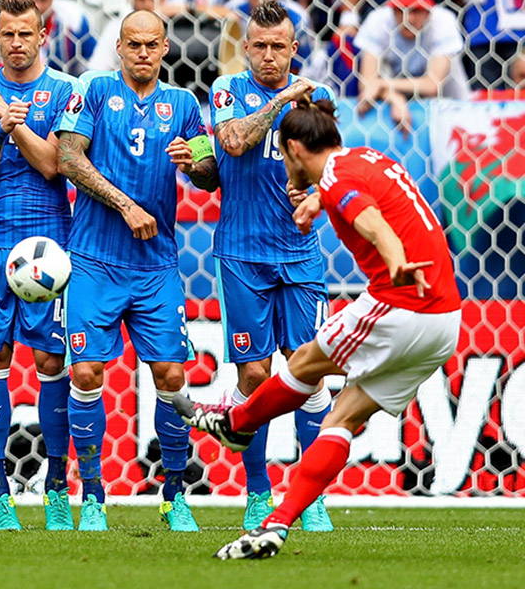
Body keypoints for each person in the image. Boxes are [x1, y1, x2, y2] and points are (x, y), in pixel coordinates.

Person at [178, 105, 461, 560]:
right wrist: (315, 201)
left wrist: (394, 260)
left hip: (401, 302)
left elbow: (373, 221)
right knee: (340, 420)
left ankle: (237, 423)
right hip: (445, 322)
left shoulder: (336, 179)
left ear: (292, 150)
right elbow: (363, 197)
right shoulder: (367, 158)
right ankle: (275, 526)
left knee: (305, 360)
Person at [56, 10, 218, 531]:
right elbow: (68, 158)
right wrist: (126, 205)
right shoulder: (94, 90)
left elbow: (212, 175)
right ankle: (94, 498)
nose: (143, 52)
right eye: (134, 44)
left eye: (152, 44)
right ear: (120, 48)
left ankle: (175, 494)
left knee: (172, 376)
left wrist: (193, 163)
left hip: (155, 266)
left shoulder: (185, 105)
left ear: (166, 47)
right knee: (85, 373)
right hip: (93, 260)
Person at [209, 0, 337, 533]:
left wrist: (309, 190)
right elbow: (234, 142)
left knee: (310, 371)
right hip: (242, 254)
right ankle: (258, 494)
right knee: (256, 374)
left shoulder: (321, 97)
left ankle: (310, 499)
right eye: (258, 46)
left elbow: (330, 166)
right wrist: (284, 97)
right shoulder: (225, 92)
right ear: (246, 48)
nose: (267, 56)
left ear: (294, 47)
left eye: (277, 47)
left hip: (300, 253)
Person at [0, 0, 80, 531]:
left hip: (49, 241)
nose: (17, 42)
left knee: (51, 363)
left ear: (42, 35)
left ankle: (56, 485)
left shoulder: (66, 91)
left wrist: (13, 122)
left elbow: (55, 166)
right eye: (8, 33)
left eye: (26, 33)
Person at [355, 0, 470, 134]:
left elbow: (432, 86)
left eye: (416, 10)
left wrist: (381, 84)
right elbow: (367, 84)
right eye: (401, 10)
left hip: (449, 108)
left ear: (429, 12)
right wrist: (394, 97)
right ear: (392, 10)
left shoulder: (444, 20)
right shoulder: (377, 20)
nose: (408, 18)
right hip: (393, 109)